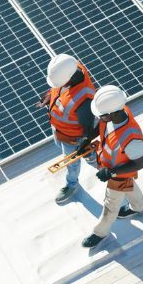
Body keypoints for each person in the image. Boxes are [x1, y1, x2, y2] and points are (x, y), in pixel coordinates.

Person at [82, 85, 143, 248]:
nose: (100, 119)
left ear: (113, 113)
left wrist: (111, 172)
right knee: (130, 186)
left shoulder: (131, 138)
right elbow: (102, 126)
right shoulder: (115, 112)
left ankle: (100, 232)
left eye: (102, 116)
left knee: (110, 206)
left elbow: (140, 163)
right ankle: (140, 206)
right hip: (115, 170)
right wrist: (88, 138)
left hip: (117, 174)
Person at [42, 54, 97, 204]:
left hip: (73, 139)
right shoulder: (69, 69)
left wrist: (84, 143)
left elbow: (88, 129)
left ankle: (72, 184)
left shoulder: (83, 99)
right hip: (60, 130)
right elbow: (59, 90)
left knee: (72, 164)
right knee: (60, 146)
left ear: (70, 77)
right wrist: (49, 96)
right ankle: (91, 156)